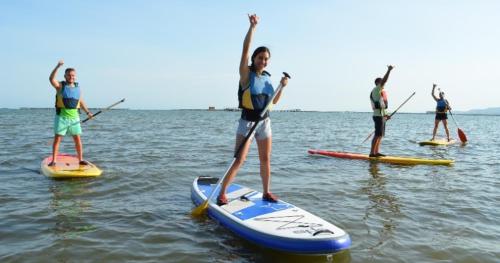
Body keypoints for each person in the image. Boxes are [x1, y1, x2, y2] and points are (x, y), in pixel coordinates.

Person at [217, 14, 289, 206]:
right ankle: (222, 193)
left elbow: (273, 102)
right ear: (254, 58)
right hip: (247, 122)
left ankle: (266, 192)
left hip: (264, 123)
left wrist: (282, 87)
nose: (263, 61)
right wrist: (253, 28)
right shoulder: (246, 75)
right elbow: (244, 51)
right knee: (239, 159)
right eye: (260, 58)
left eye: (266, 59)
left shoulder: (267, 78)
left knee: (265, 160)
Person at [48, 59, 93, 166]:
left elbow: (81, 102)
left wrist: (88, 112)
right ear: (65, 76)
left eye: (73, 75)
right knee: (57, 139)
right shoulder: (60, 86)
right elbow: (51, 79)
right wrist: (57, 66)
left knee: (77, 139)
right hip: (62, 117)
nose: (71, 77)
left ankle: (80, 159)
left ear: (75, 76)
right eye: (69, 75)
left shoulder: (78, 88)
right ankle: (54, 161)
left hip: (75, 118)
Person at [369, 65, 394, 157]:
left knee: (380, 135)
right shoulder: (376, 90)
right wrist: (389, 70)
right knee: (377, 135)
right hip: (377, 116)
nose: (384, 84)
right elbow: (385, 80)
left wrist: (386, 115)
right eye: (381, 82)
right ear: (378, 83)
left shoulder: (381, 92)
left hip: (382, 116)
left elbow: (382, 107)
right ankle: (372, 153)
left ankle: (376, 152)